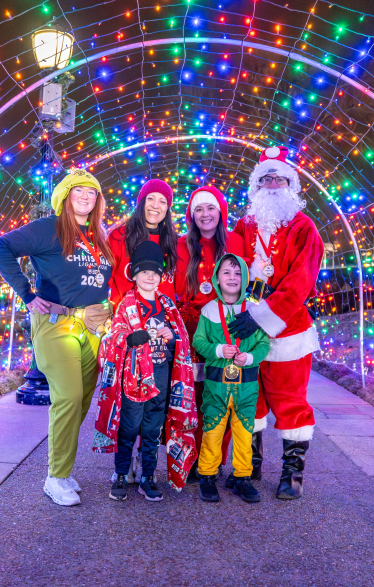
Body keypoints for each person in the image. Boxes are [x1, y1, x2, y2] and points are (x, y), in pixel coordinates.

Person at [0, 169, 115, 507]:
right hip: (56, 321)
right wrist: (27, 294)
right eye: (79, 191)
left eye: (92, 192)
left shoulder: (99, 235)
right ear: (65, 195)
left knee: (82, 399)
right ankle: (54, 477)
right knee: (69, 397)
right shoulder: (49, 228)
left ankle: (65, 469)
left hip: (93, 326)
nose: (86, 197)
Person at [228, 146, 325, 500]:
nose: (272, 184)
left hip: (289, 331)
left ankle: (292, 473)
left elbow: (301, 282)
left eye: (278, 179)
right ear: (256, 186)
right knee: (249, 399)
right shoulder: (246, 224)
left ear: (291, 185)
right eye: (265, 179)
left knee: (289, 401)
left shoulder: (305, 228)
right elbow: (229, 267)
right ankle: (249, 462)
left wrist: (262, 316)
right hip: (247, 329)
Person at [93, 241, 197, 500]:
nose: (150, 276)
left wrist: (171, 336)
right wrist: (130, 338)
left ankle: (148, 476)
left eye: (155, 272)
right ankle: (120, 474)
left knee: (153, 429)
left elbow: (181, 339)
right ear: (134, 274)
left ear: (161, 276)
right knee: (129, 427)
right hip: (134, 377)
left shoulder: (168, 306)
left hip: (161, 376)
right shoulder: (126, 304)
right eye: (144, 271)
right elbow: (113, 335)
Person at [175, 186, 247, 481]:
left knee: (223, 396)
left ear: (221, 211)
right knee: (192, 398)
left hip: (227, 329)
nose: (205, 215)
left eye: (211, 208)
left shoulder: (239, 243)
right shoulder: (181, 245)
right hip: (191, 330)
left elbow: (253, 280)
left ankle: (213, 459)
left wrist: (250, 318)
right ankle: (189, 457)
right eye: (199, 210)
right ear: (192, 215)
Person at [193, 254, 270, 503]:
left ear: (246, 278)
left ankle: (242, 477)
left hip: (246, 386)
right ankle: (207, 474)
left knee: (244, 432)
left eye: (238, 273)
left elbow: (263, 344)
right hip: (216, 384)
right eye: (226, 272)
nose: (232, 277)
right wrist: (217, 350)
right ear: (216, 278)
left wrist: (249, 357)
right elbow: (198, 341)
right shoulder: (208, 310)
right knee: (213, 430)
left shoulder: (254, 311)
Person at [107, 179, 180, 307]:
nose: (155, 205)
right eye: (150, 198)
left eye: (162, 201)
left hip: (164, 323)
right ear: (141, 202)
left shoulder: (174, 241)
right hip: (126, 320)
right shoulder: (119, 237)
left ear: (167, 208)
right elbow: (105, 281)